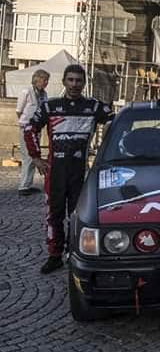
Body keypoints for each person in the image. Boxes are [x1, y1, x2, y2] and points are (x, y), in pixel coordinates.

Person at [23, 65, 114, 273]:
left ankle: (75, 254)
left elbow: (115, 122)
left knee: (78, 216)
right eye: (70, 80)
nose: (74, 84)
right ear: (64, 82)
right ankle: (54, 256)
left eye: (78, 80)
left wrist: (105, 153)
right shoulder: (50, 106)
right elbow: (30, 128)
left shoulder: (93, 106)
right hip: (55, 172)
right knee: (54, 215)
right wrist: (36, 157)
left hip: (80, 173)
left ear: (84, 83)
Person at [16, 69, 50, 196]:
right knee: (28, 156)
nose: (46, 83)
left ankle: (27, 184)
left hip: (37, 128)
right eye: (44, 80)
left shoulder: (43, 94)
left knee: (33, 156)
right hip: (26, 127)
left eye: (47, 80)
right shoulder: (27, 91)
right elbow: (19, 110)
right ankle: (24, 186)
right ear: (37, 79)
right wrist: (24, 123)